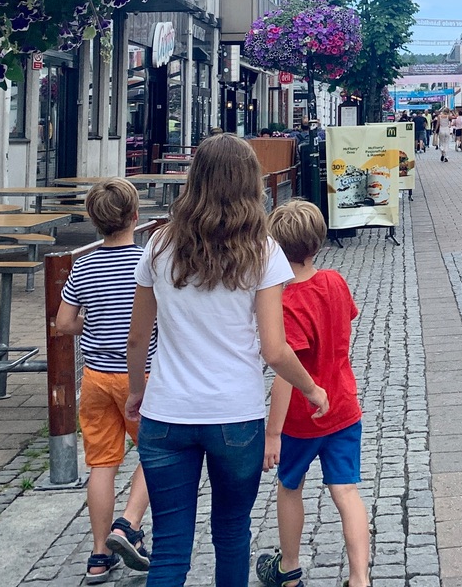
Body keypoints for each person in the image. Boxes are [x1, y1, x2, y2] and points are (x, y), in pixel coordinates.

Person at [126, 133, 329, 587]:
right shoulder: (262, 251)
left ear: (194, 180)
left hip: (167, 412)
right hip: (235, 415)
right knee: (233, 533)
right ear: (249, 184)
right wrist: (312, 389)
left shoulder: (159, 246)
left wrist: (137, 392)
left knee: (170, 545)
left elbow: (137, 339)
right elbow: (274, 349)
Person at [256, 202, 370, 587]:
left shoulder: (285, 303)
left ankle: (289, 568)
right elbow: (344, 322)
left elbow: (285, 376)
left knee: (290, 487)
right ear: (318, 244)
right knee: (346, 491)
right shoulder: (335, 282)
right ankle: (359, 578)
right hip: (343, 406)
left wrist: (273, 433)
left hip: (302, 419)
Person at [55, 179, 154, 579]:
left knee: (101, 463)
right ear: (135, 217)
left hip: (95, 377)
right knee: (157, 452)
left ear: (94, 221)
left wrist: (94, 326)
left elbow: (64, 323)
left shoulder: (83, 265)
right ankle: (127, 525)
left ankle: (98, 556)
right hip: (140, 376)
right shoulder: (146, 262)